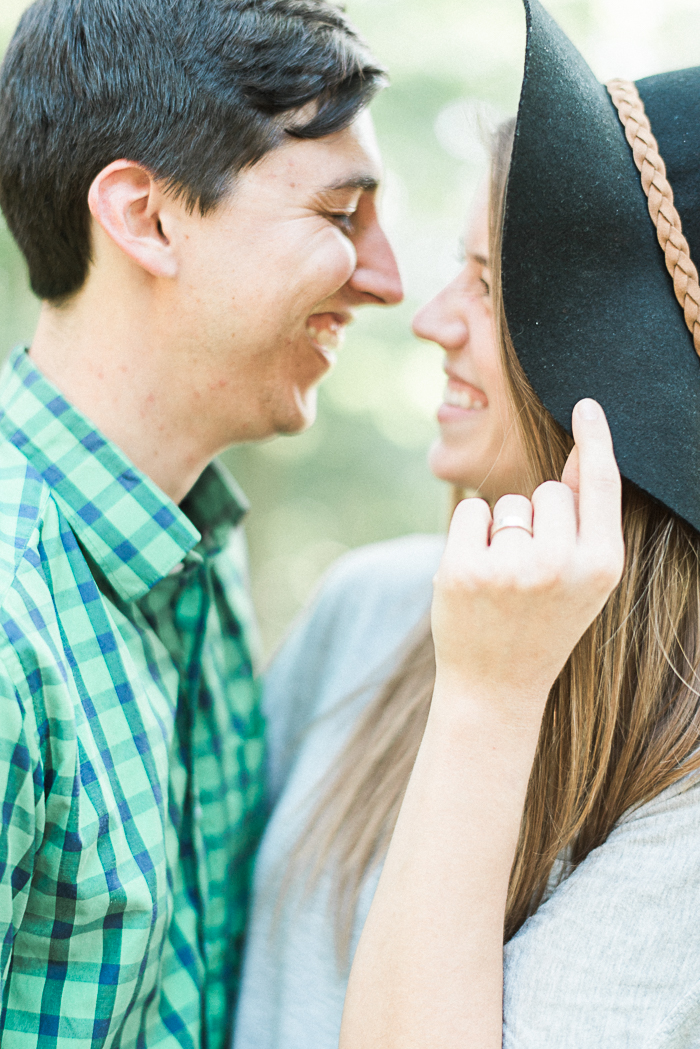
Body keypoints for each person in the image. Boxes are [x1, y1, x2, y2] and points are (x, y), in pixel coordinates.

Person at [234, 2, 700, 1047]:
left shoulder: (684, 784)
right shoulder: (364, 607)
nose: (432, 317)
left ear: (620, 375)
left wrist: (490, 693)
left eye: (490, 287)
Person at [0, 1, 403, 1045]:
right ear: (146, 215)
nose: (387, 280)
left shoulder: (196, 560)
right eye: (338, 215)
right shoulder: (8, 632)